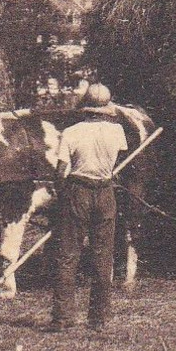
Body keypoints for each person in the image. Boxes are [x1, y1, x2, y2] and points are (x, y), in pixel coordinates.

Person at [50, 83, 128, 331]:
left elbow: (61, 171)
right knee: (103, 256)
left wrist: (61, 193)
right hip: (105, 193)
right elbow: (120, 162)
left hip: (77, 191)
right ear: (106, 107)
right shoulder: (117, 132)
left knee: (67, 256)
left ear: (86, 107)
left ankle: (62, 319)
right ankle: (99, 319)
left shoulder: (71, 132)